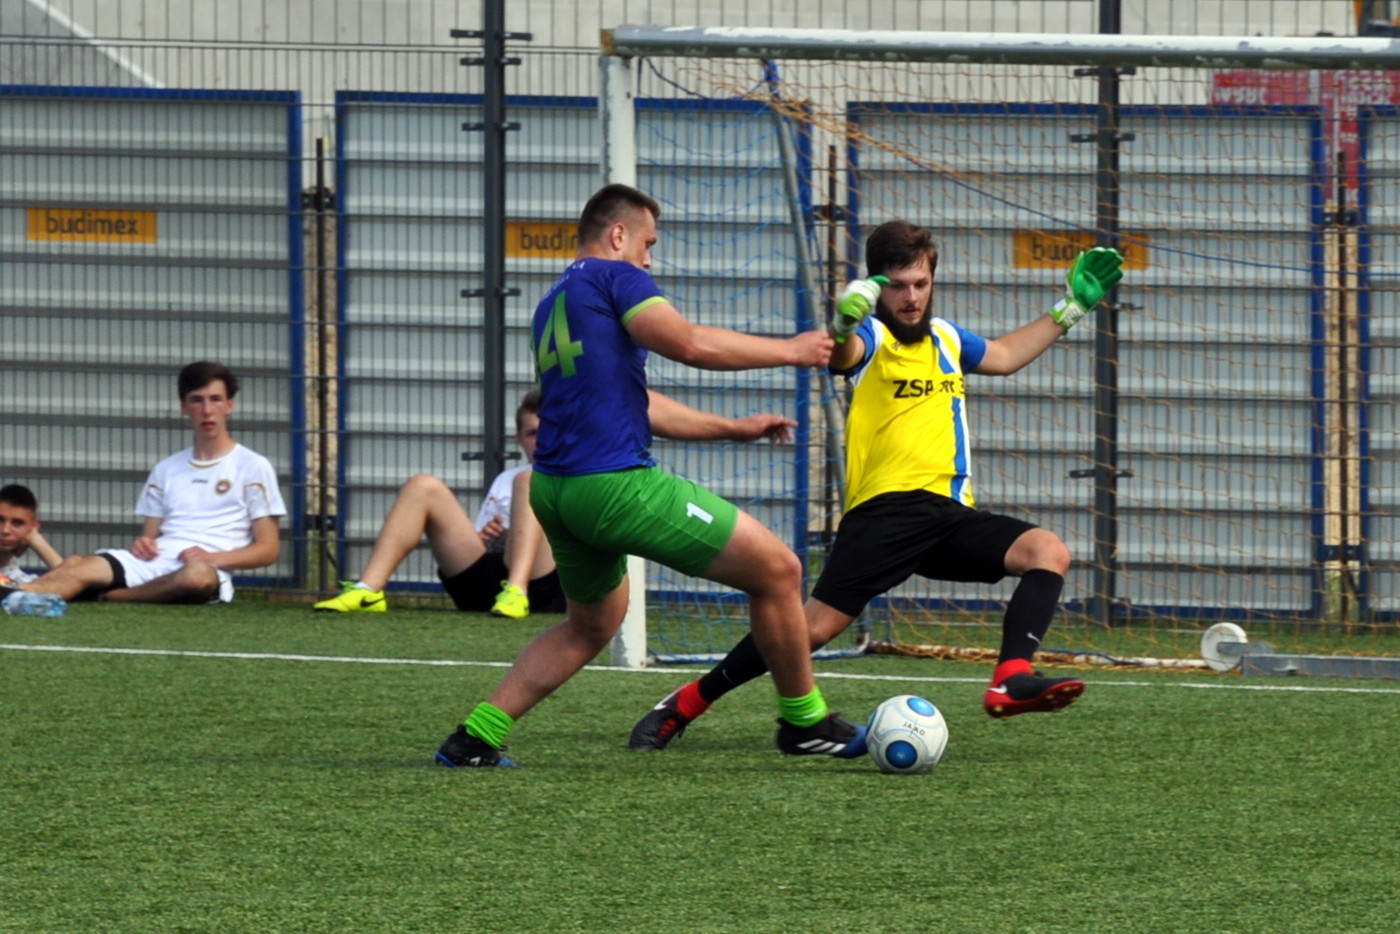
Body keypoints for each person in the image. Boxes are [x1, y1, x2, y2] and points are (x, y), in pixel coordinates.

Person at [629, 220, 1124, 751]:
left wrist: (1071, 308)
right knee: (806, 632)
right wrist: (844, 326)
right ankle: (685, 703)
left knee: (1047, 551)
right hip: (885, 516)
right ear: (876, 287)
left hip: (950, 516)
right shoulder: (873, 336)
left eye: (921, 283)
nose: (911, 297)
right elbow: (843, 356)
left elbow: (1003, 356)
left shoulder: (947, 338)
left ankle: (1010, 678)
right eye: (898, 286)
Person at [435, 182, 865, 767]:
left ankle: (474, 737)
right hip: (615, 487)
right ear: (618, 235)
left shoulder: (555, 301)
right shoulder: (616, 277)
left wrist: (734, 428)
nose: (649, 260)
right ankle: (804, 721)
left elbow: (634, 403)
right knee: (778, 570)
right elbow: (687, 343)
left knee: (592, 624)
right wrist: (791, 350)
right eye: (648, 243)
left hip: (557, 492)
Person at [2, 361, 286, 605]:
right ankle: (16, 594)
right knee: (77, 564)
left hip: (205, 568)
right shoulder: (167, 468)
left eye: (216, 400)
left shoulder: (253, 466)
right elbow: (148, 539)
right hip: (154, 564)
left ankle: (116, 597)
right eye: (197, 400)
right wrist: (144, 544)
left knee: (195, 577)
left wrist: (213, 557)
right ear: (184, 407)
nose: (207, 410)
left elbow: (268, 550)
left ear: (229, 405)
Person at [312, 390, 565, 619]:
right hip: (489, 587)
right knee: (422, 486)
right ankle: (368, 590)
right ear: (518, 438)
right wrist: (490, 538)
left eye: (549, 432)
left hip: (545, 587)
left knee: (529, 480)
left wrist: (525, 540)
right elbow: (482, 547)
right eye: (533, 433)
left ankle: (517, 590)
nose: (541, 440)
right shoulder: (505, 479)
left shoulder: (576, 478)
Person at [0, 483, 63, 583]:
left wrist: (37, 540)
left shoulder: (21, 581)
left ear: (33, 528)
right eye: (0, 520)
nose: (5, 530)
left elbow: (71, 581)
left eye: (17, 523)